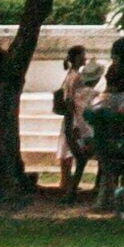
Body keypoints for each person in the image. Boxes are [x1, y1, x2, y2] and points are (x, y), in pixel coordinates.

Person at [51, 43, 100, 197]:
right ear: (78, 57)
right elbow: (71, 98)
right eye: (83, 55)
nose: (85, 58)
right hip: (74, 116)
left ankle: (65, 181)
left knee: (68, 148)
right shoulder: (76, 76)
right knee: (71, 147)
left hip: (71, 116)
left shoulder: (71, 74)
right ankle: (66, 183)